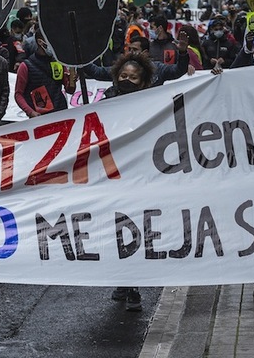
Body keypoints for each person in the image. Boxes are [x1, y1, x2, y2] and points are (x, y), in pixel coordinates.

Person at [102, 50, 156, 312]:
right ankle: (123, 280)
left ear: (144, 82)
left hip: (139, 176)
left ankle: (134, 285)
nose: (126, 80)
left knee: (136, 230)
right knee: (116, 228)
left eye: (133, 78)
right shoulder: (107, 98)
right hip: (113, 175)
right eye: (123, 75)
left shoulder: (151, 102)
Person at [82, 35, 190, 87]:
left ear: (145, 52)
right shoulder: (121, 68)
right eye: (129, 49)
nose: (131, 52)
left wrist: (183, 53)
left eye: (135, 50)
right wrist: (79, 59)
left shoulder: (158, 69)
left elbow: (178, 70)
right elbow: (96, 72)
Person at [14, 30, 76, 118]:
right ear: (40, 42)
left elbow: (70, 90)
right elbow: (18, 94)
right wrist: (30, 112)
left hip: (61, 111)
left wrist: (72, 81)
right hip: (40, 117)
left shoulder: (59, 63)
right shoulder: (25, 66)